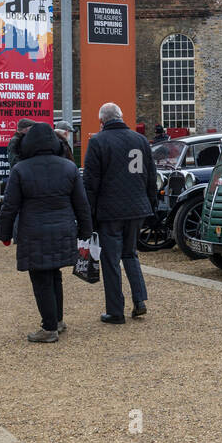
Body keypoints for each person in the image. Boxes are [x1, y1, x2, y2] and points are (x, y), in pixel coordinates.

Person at [0, 123, 93, 343]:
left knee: (40, 277)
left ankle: (49, 327)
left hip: (34, 231)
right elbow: (82, 203)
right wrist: (86, 230)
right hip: (63, 228)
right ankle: (57, 320)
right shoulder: (69, 167)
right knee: (54, 274)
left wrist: (4, 233)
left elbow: (10, 206)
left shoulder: (21, 169)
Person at [83, 102, 155, 324]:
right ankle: (140, 300)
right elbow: (151, 175)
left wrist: (89, 214)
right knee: (130, 254)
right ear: (121, 117)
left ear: (102, 121)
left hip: (110, 210)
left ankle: (116, 310)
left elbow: (90, 182)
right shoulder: (140, 140)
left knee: (111, 260)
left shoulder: (97, 141)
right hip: (137, 207)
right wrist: (150, 203)